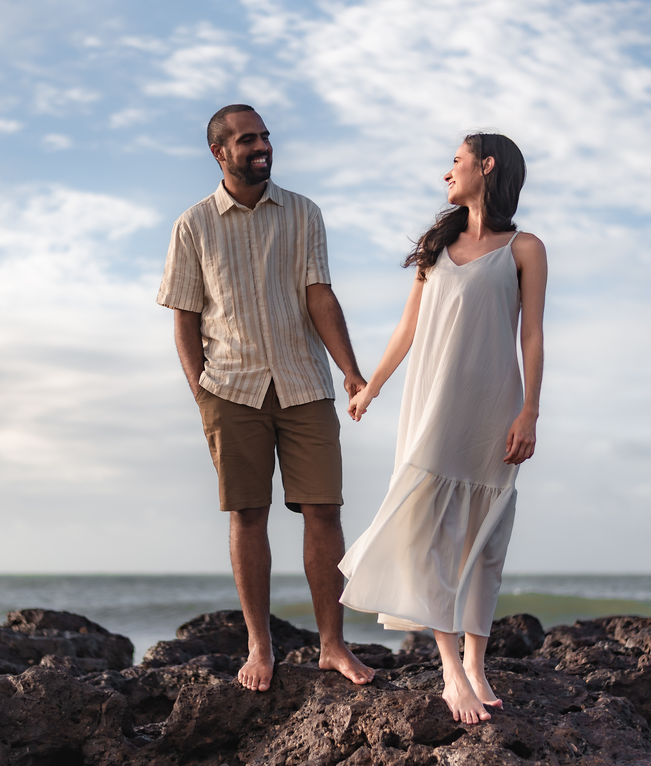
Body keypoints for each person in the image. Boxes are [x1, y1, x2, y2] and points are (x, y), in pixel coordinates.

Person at [157, 104, 376, 693]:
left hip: (304, 381)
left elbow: (319, 297)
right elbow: (184, 316)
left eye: (265, 137)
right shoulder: (193, 225)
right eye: (247, 139)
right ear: (219, 152)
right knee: (248, 513)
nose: (261, 146)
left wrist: (352, 373)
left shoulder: (304, 213)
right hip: (230, 387)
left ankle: (332, 645)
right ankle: (260, 645)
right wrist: (200, 390)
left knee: (323, 510)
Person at [340, 132, 547, 724]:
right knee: (429, 534)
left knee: (485, 541)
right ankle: (450, 671)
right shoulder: (437, 247)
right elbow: (407, 328)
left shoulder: (525, 248)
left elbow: (531, 334)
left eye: (455, 161)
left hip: (494, 405)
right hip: (432, 405)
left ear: (486, 167)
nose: (446, 172)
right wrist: (371, 386)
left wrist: (529, 410)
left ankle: (477, 665)